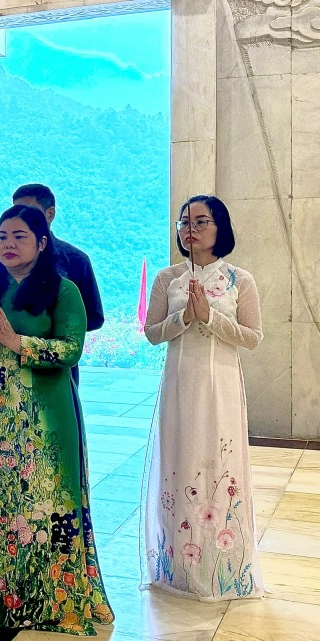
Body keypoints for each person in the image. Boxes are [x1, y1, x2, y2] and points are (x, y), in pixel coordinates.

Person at [0, 204, 114, 635]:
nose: (8, 244)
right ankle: (0, 599)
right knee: (0, 504)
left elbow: (70, 350)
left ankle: (54, 599)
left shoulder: (63, 292)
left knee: (50, 503)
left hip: (50, 417)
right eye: (3, 236)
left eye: (20, 236)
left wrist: (16, 340)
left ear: (42, 243)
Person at [142, 195, 264, 600]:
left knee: (219, 466)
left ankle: (221, 567)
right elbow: (152, 332)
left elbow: (252, 337)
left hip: (221, 385)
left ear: (220, 228)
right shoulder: (167, 278)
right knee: (180, 459)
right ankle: (178, 568)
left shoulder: (238, 279)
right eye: (184, 222)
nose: (190, 229)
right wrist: (183, 319)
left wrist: (210, 318)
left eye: (201, 221)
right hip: (179, 383)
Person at [12, 184, 103, 385]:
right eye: (16, 212)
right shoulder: (2, 261)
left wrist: (50, 328)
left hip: (57, 367)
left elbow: (95, 317)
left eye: (30, 212)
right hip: (10, 364)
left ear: (50, 214)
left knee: (60, 416)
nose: (21, 219)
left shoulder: (76, 260)